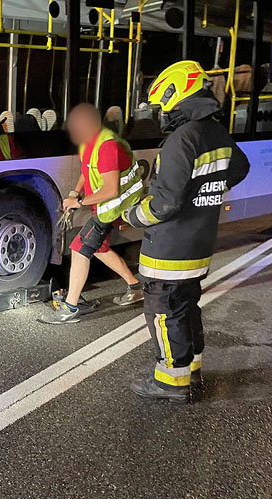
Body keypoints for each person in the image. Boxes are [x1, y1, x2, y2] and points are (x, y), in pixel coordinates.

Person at [122, 60, 250, 401]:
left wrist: (133, 216)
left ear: (176, 94)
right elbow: (239, 168)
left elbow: (163, 205)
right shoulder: (214, 132)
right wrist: (206, 192)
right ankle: (191, 370)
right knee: (186, 308)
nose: (162, 111)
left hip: (170, 248)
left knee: (164, 312)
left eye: (163, 103)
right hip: (199, 244)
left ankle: (170, 383)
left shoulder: (181, 139)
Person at [41, 103, 144, 325]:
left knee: (80, 247)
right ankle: (136, 288)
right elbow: (86, 171)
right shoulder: (88, 143)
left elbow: (111, 190)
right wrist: (74, 192)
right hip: (105, 203)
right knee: (98, 248)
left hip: (116, 203)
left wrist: (79, 202)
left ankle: (70, 307)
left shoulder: (108, 147)